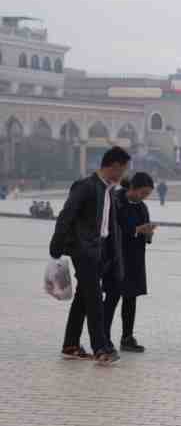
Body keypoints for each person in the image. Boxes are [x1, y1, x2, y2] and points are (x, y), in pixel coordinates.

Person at [49, 146, 130, 365]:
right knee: (94, 300)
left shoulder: (107, 190)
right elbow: (67, 215)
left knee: (84, 298)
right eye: (121, 170)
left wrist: (113, 255)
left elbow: (109, 225)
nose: (122, 175)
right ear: (113, 166)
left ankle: (71, 344)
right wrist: (56, 246)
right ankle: (101, 348)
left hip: (99, 250)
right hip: (83, 250)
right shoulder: (85, 187)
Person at [103, 172, 156, 353]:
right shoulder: (116, 201)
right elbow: (111, 228)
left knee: (131, 298)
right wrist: (135, 230)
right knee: (112, 298)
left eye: (147, 194)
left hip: (135, 259)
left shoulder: (141, 207)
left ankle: (127, 337)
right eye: (143, 192)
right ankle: (103, 338)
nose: (144, 197)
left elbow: (144, 231)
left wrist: (148, 233)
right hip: (117, 257)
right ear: (132, 187)